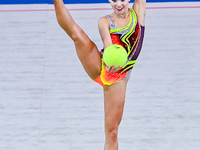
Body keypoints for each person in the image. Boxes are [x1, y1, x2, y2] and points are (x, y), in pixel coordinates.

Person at [52, 0, 146, 149]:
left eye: (122, 0)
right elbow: (107, 43)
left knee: (112, 133)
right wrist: (110, 61)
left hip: (119, 79)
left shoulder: (138, 13)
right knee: (77, 34)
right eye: (114, 0)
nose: (119, 4)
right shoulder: (105, 21)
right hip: (101, 64)